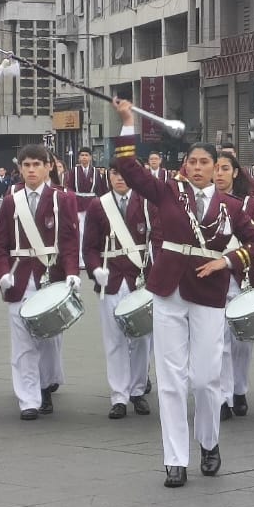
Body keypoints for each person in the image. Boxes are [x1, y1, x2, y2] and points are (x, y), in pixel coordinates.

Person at [110, 98, 254, 488]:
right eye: (192, 162)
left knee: (205, 378)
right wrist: (128, 122)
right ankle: (175, 458)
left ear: (218, 170)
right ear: (185, 166)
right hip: (167, 290)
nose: (198, 168)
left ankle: (209, 443)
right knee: (170, 379)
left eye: (205, 163)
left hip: (209, 293)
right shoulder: (167, 193)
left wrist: (228, 262)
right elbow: (127, 168)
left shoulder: (232, 206)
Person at [0, 144, 79, 420]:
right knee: (22, 343)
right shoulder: (10, 201)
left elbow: (68, 242)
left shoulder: (62, 200)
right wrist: (2, 273)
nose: (31, 170)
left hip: (50, 276)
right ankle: (28, 399)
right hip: (19, 278)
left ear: (48, 167)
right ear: (20, 168)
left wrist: (72, 273)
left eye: (37, 165)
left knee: (50, 340)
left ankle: (45, 386)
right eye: (26, 165)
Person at [84, 167, 153, 419]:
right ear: (108, 176)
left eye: (124, 172)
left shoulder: (146, 203)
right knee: (114, 341)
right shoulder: (97, 206)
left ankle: (137, 391)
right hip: (111, 278)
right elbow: (89, 246)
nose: (120, 177)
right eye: (115, 172)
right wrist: (93, 269)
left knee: (142, 339)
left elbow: (157, 241)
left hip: (140, 279)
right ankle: (119, 396)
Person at [213, 152, 254, 420]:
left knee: (242, 342)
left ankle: (240, 389)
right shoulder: (200, 202)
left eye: (225, 168)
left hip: (242, 276)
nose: (219, 173)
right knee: (219, 342)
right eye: (215, 168)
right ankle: (224, 397)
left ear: (235, 173)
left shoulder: (249, 204)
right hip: (212, 278)